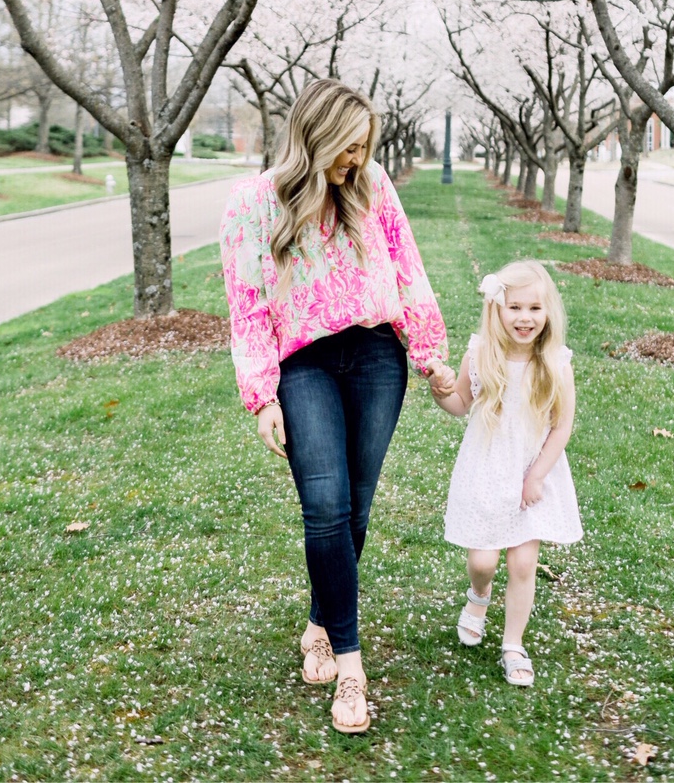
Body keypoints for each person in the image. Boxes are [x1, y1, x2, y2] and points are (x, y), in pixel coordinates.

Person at [220, 79, 450, 733]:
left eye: (363, 148)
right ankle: (351, 666)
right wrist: (261, 394)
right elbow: (248, 305)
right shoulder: (254, 204)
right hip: (304, 365)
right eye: (347, 149)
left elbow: (409, 268)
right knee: (324, 502)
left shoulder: (373, 187)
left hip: (378, 357)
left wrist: (428, 351)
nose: (356, 160)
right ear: (314, 137)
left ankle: (321, 622)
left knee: (357, 503)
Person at [426, 260, 582, 687]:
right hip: (487, 467)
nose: (525, 318)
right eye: (515, 307)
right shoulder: (480, 354)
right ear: (497, 309)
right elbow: (461, 402)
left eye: (535, 308)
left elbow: (561, 426)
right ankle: (478, 596)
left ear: (548, 312)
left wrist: (537, 476)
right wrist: (441, 393)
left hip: (531, 471)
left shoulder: (555, 362)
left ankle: (513, 644)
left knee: (524, 562)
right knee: (482, 560)